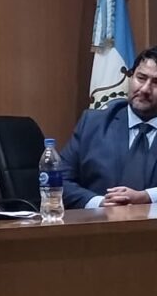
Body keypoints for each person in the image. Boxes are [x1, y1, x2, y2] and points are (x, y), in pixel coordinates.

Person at [61, 46, 157, 208]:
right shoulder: (93, 124)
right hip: (97, 222)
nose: (145, 89)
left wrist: (148, 196)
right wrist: (99, 203)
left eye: (156, 83)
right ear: (130, 77)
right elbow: (57, 180)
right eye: (141, 78)